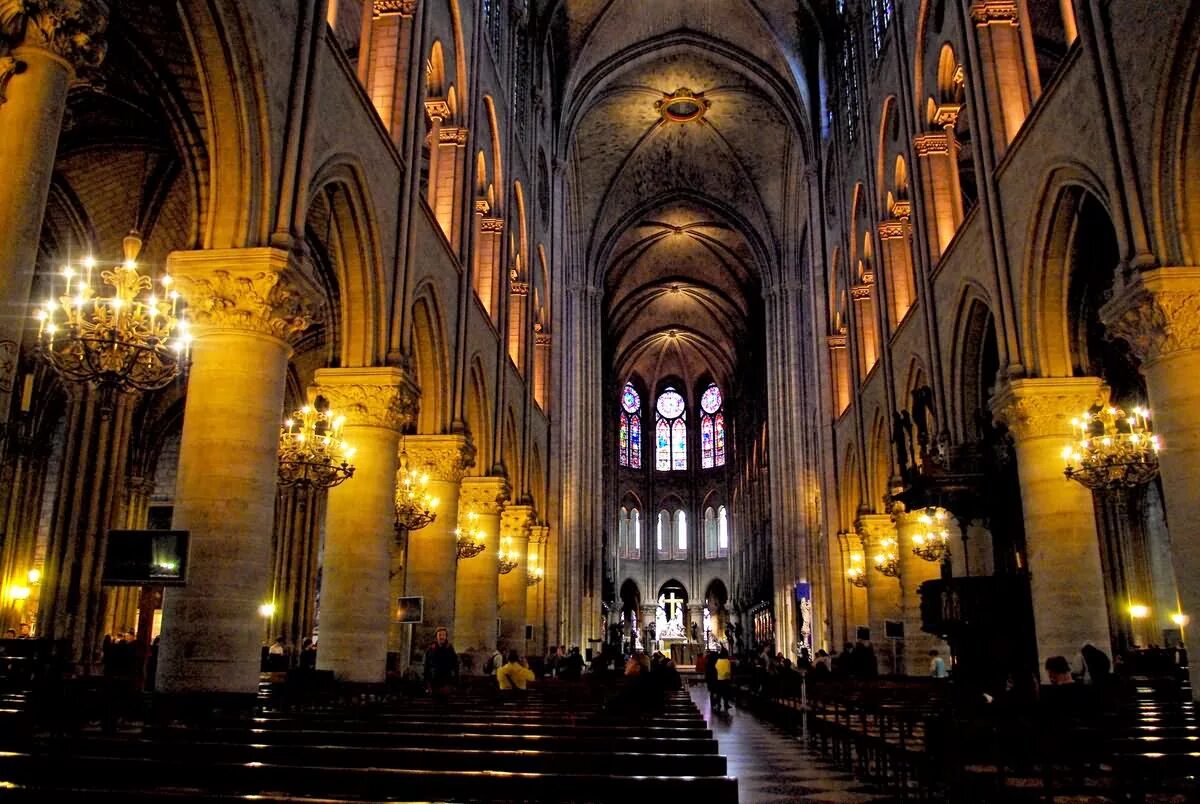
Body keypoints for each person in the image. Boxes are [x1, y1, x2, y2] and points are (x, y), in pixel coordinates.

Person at [423, 627, 459, 701]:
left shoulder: (449, 649)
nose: (442, 637)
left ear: (446, 637)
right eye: (440, 635)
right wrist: (427, 683)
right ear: (436, 636)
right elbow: (427, 666)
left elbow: (455, 665)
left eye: (443, 635)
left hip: (447, 681)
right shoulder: (431, 650)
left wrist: (454, 682)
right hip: (434, 681)